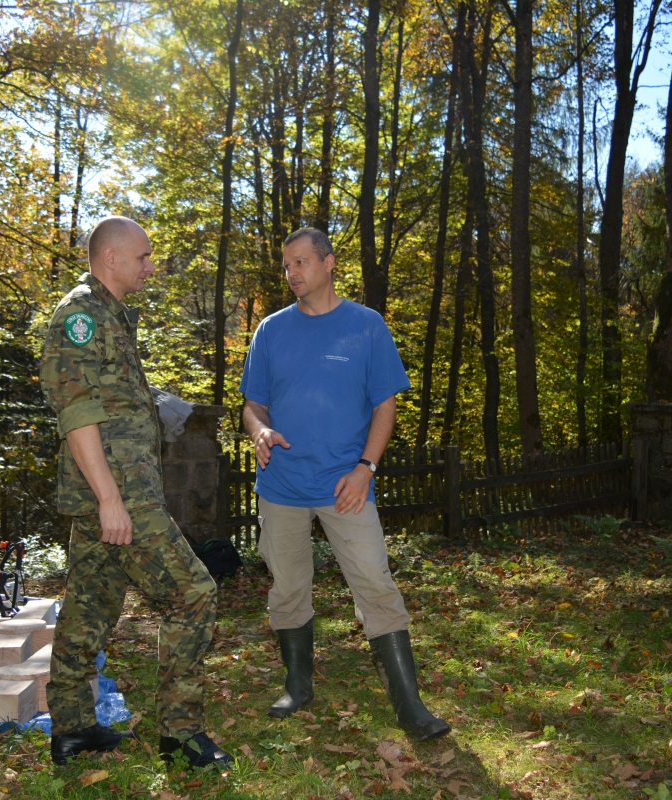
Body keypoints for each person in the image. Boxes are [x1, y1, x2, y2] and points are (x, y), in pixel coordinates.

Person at [239, 228, 451, 742]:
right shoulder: (270, 330)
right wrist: (259, 429)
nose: (291, 272)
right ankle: (298, 685)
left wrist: (366, 467)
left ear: (329, 263)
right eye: (286, 264)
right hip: (282, 485)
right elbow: (252, 404)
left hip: (346, 486)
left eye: (301, 262)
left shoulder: (366, 325)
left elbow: (385, 405)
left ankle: (410, 706)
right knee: (288, 587)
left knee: (375, 584)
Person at [39, 216, 230, 768]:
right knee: (194, 594)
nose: (150, 266)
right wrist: (109, 500)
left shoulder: (112, 316)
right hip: (118, 496)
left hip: (115, 492)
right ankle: (179, 734)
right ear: (112, 258)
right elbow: (76, 414)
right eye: (143, 257)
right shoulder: (81, 316)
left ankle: (73, 728)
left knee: (89, 607)